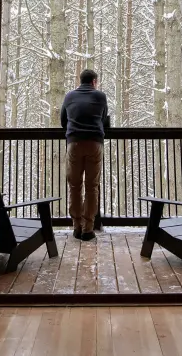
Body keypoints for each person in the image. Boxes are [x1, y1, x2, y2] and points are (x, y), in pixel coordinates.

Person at [60, 69, 110, 241]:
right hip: (95, 143)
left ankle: (76, 226)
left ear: (80, 81)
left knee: (74, 186)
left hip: (74, 143)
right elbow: (104, 119)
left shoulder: (69, 97)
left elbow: (63, 121)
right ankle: (88, 228)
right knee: (92, 186)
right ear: (94, 82)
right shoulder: (100, 97)